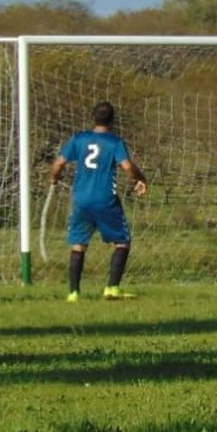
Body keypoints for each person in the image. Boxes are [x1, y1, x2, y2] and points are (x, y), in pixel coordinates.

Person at [48, 101, 148, 301]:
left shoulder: (80, 139)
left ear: (93, 118)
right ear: (112, 120)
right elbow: (127, 166)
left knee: (78, 243)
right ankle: (112, 288)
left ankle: (73, 293)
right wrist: (141, 178)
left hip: (81, 199)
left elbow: (59, 163)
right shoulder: (114, 142)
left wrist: (54, 178)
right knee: (122, 242)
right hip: (104, 199)